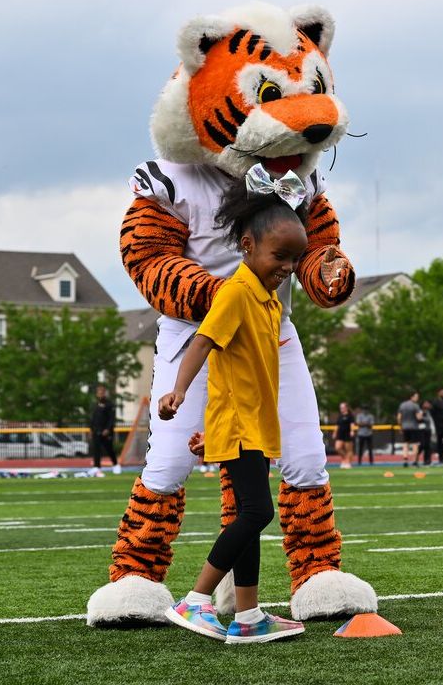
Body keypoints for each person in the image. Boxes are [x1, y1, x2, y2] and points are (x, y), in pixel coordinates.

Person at [156, 165, 307, 644]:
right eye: (279, 255)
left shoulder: (268, 299)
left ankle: (247, 617)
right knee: (257, 512)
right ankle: (196, 600)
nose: (286, 266)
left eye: (294, 259)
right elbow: (202, 342)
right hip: (240, 423)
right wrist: (178, 391)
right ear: (247, 247)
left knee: (249, 511)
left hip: (255, 425)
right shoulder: (238, 291)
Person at [89, 384, 120, 475]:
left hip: (106, 432)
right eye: (99, 392)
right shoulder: (95, 405)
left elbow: (111, 418)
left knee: (109, 449)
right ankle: (96, 467)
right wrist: (91, 429)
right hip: (96, 431)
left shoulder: (109, 404)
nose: (100, 394)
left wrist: (107, 429)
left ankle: (115, 465)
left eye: (102, 392)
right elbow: (92, 418)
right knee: (96, 449)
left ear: (104, 393)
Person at [397, 391, 422, 467]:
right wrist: (421, 415)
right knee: (415, 444)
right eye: (416, 397)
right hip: (414, 427)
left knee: (405, 444)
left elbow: (399, 417)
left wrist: (400, 426)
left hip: (404, 427)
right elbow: (419, 417)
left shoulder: (402, 405)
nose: (417, 398)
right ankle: (415, 460)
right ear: (412, 397)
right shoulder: (415, 406)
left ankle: (405, 459)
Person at [333, 402, 354, 469]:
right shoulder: (340, 416)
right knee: (337, 447)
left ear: (346, 408)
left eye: (342, 407)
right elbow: (337, 425)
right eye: (340, 407)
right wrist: (335, 433)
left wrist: (352, 431)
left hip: (347, 434)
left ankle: (348, 463)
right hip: (340, 434)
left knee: (349, 450)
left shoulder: (350, 416)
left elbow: (352, 424)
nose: (341, 409)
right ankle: (345, 459)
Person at [416, 400, 436, 467]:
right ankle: (416, 459)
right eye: (426, 404)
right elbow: (419, 419)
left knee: (428, 446)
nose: (427, 405)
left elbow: (430, 421)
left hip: (428, 430)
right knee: (422, 445)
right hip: (421, 430)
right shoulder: (419, 411)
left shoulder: (429, 412)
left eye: (428, 403)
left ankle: (427, 461)